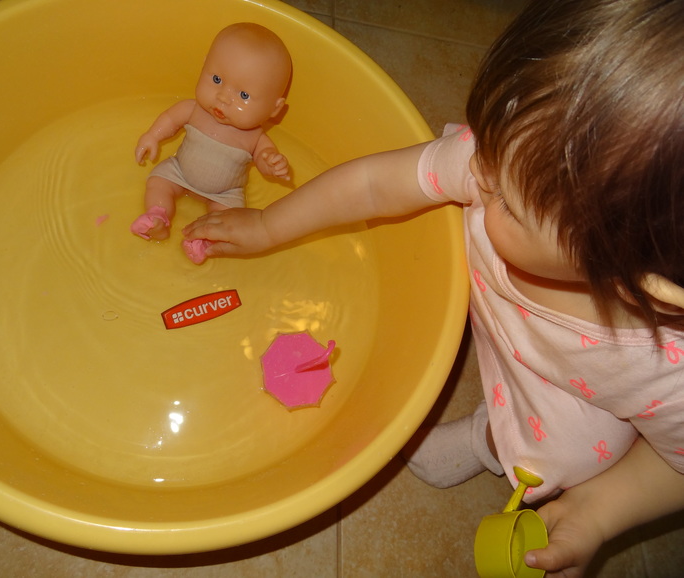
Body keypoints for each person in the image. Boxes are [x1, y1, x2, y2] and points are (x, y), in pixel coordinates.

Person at [182, 0, 684, 575]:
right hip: (498, 305)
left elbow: (676, 467)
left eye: (505, 198)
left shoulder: (665, 375)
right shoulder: (504, 159)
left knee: (563, 456)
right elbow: (374, 185)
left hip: (565, 387)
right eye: (491, 140)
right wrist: (269, 226)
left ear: (643, 282)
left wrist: (598, 513)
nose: (478, 169)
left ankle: (485, 441)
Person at [130, 22, 292, 259]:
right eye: (217, 79)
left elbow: (264, 160)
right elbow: (170, 119)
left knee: (229, 218)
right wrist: (152, 136)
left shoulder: (256, 138)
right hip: (179, 172)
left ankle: (203, 242)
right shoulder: (193, 109)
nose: (223, 97)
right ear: (204, 65)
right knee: (158, 182)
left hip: (225, 193)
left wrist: (272, 164)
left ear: (274, 109)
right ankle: (158, 217)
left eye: (244, 95)